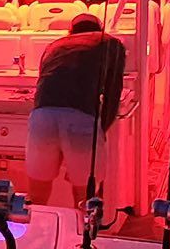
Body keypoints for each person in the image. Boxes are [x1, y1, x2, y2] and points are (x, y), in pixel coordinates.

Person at [25, 13, 126, 206]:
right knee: (85, 200)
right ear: (100, 27)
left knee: (37, 197)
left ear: (70, 31)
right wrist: (101, 129)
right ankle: (82, 235)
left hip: (42, 117)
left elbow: (44, 82)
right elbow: (113, 92)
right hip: (80, 119)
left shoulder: (54, 46)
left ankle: (37, 234)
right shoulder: (112, 43)